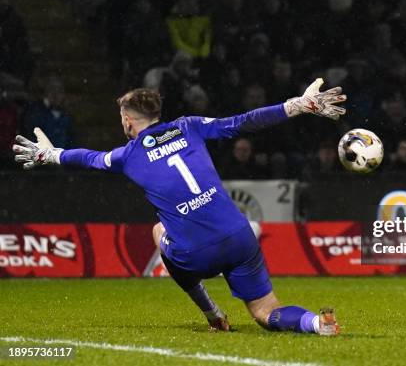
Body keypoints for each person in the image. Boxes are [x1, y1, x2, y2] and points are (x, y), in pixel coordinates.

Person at [13, 79, 346, 335]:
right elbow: (243, 121)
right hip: (240, 238)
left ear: (128, 120)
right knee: (265, 312)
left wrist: (51, 154)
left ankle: (212, 314)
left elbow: (88, 158)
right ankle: (317, 322)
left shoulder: (127, 155)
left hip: (196, 254)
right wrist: (298, 105)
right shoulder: (189, 126)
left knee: (160, 230)